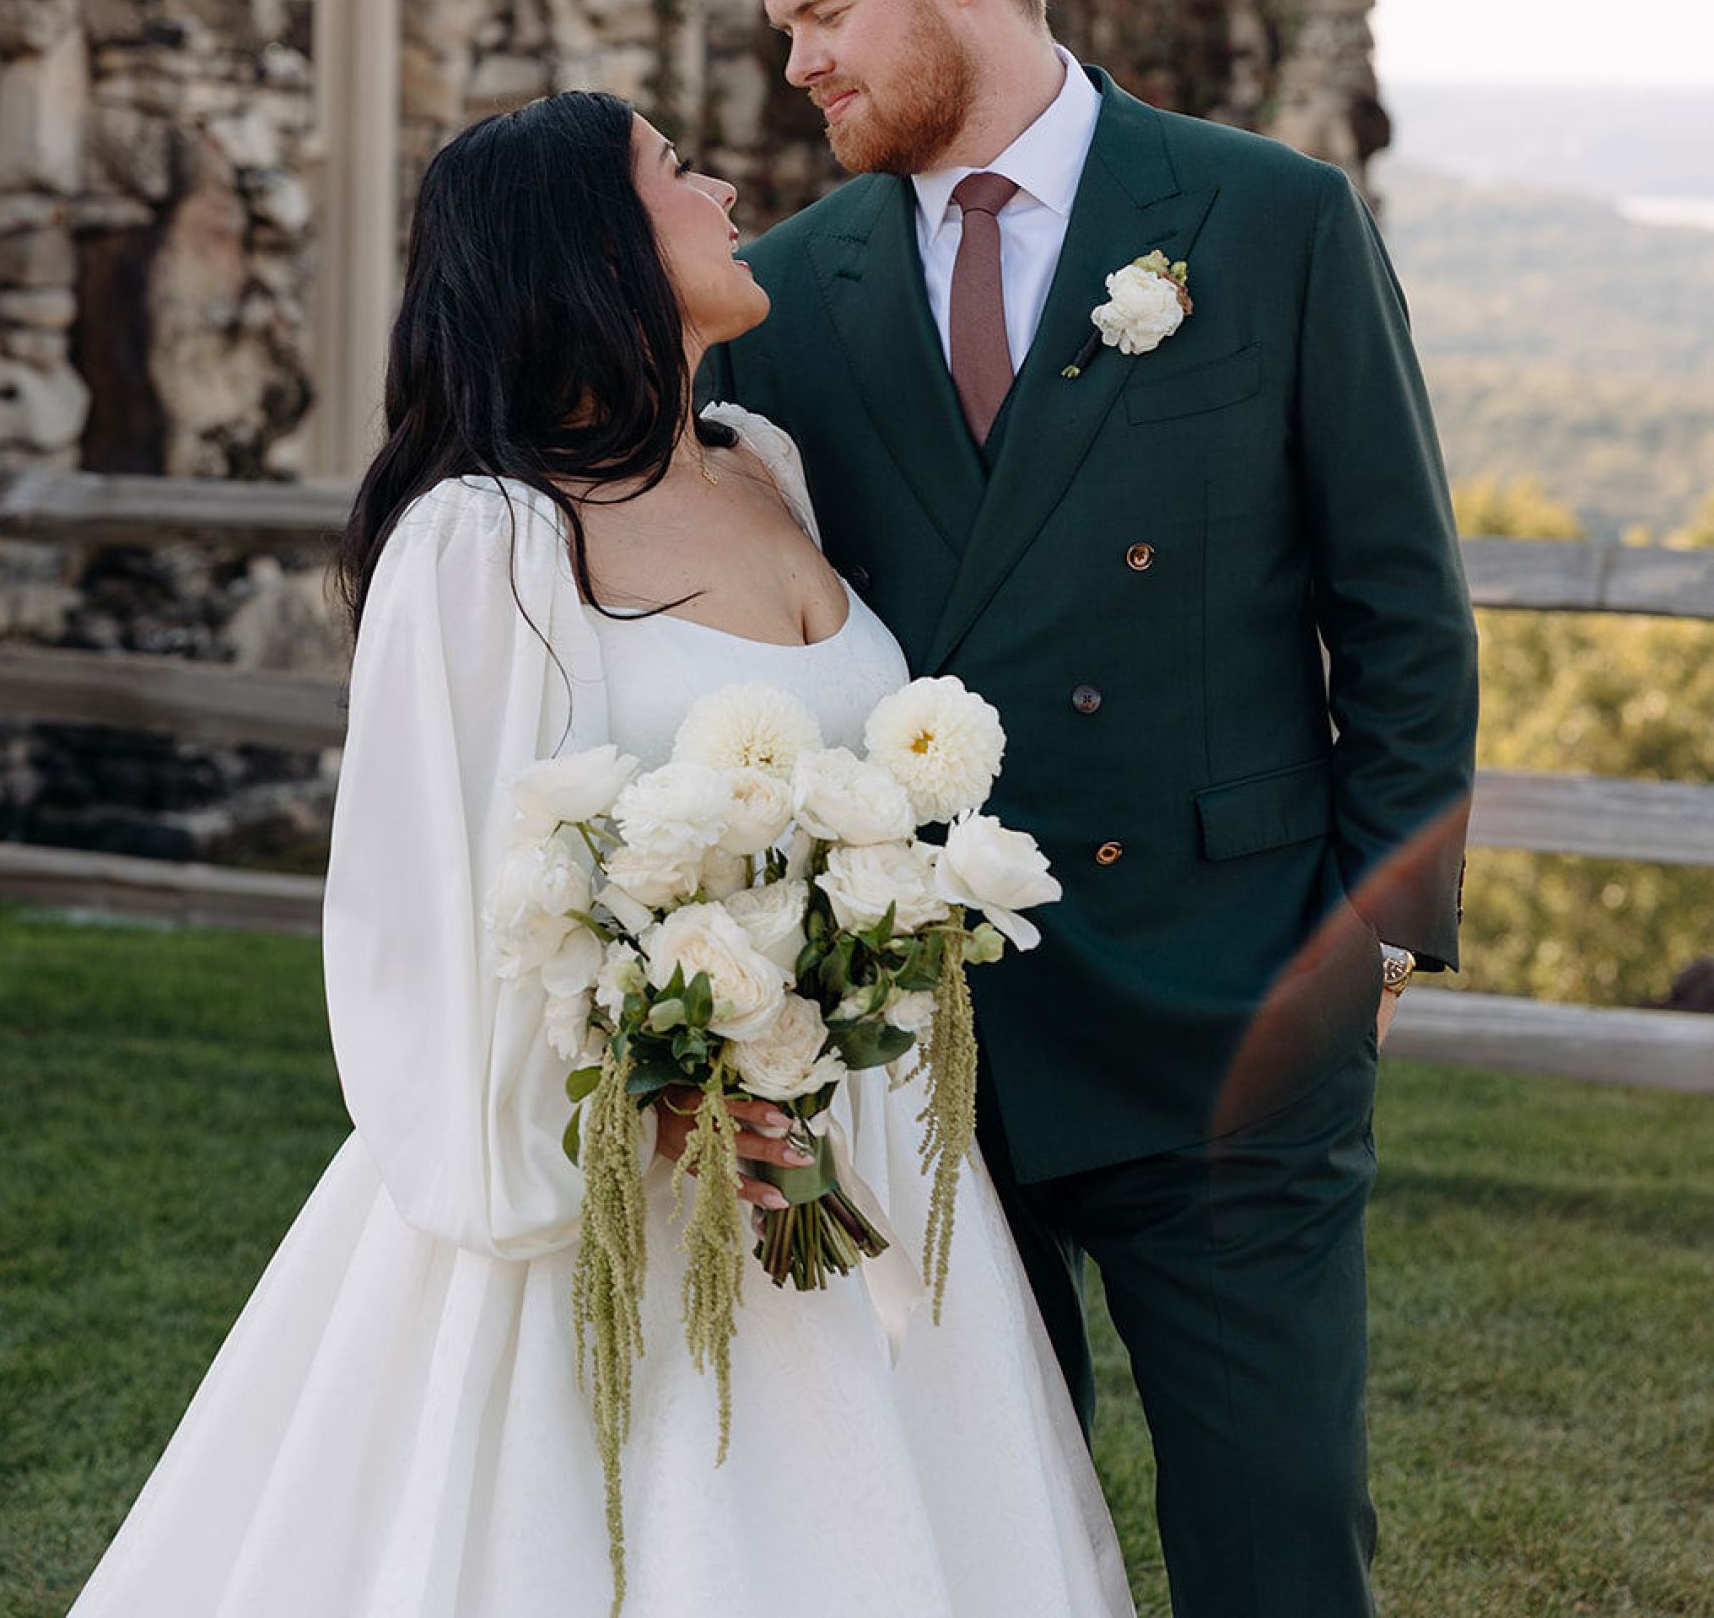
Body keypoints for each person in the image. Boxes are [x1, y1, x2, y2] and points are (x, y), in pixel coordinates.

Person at [66, 91, 1131, 1618]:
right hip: (625, 1167)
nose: (721, 186)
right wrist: (669, 1086)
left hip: (866, 1135)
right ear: (592, 246)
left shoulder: (763, 464)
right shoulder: (489, 542)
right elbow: (433, 916)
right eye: (674, 171)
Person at [697, 0, 1479, 1618]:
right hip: (939, 1055)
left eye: (823, 11)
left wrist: (1377, 940)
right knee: (975, 1567)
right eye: (786, 25)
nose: (797, 65)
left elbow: (1402, 610)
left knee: (1279, 1552)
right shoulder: (792, 294)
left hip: (1238, 1021)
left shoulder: (1269, 220)